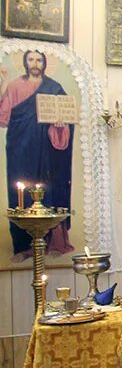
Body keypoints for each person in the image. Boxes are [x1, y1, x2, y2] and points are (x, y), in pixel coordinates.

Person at [0, 50, 74, 259]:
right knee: (20, 191)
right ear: (25, 62)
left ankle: (53, 243)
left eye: (39, 60)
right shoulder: (15, 85)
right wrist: (4, 83)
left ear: (44, 63)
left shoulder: (54, 88)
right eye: (31, 59)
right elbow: (4, 118)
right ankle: (23, 247)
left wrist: (61, 126)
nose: (35, 63)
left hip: (46, 151)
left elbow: (66, 117)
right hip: (20, 148)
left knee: (48, 189)